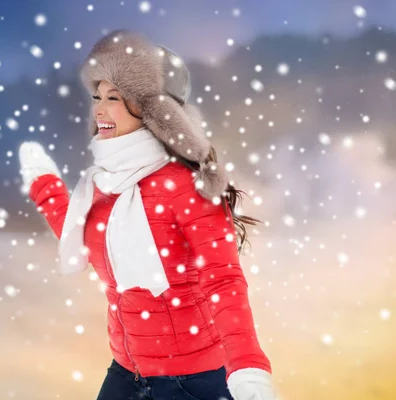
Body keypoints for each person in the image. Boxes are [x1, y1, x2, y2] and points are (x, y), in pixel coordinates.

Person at [18, 30, 276, 400]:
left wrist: (248, 366)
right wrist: (44, 185)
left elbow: (223, 280)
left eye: (114, 98)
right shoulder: (107, 182)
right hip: (126, 373)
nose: (99, 110)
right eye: (97, 97)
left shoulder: (187, 186)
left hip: (191, 381)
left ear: (152, 109)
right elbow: (86, 235)